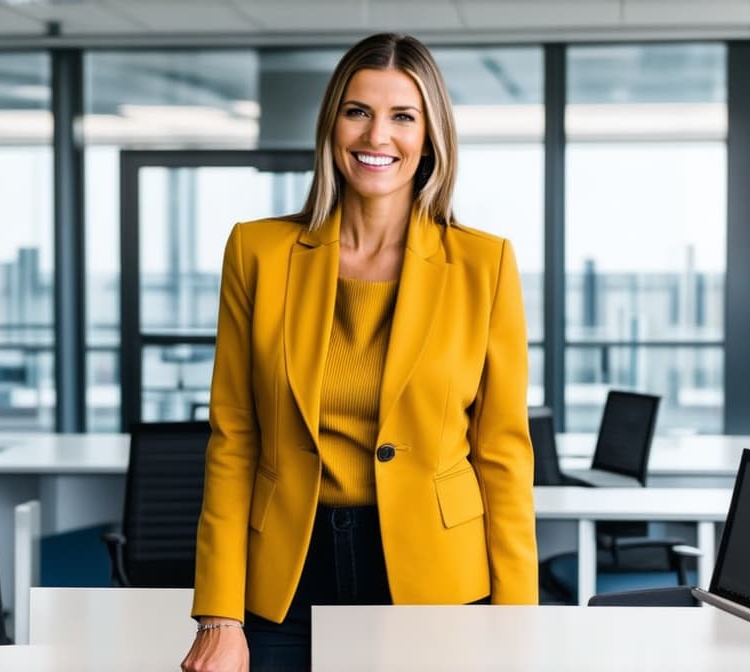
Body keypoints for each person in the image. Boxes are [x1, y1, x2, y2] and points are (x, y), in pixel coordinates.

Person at [181, 32, 537, 672]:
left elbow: (502, 455)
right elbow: (234, 439)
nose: (378, 136)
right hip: (285, 576)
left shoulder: (484, 264)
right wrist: (219, 612)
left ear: (430, 138)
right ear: (332, 125)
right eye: (358, 111)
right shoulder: (257, 252)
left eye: (403, 116)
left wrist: (515, 626)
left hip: (435, 579)